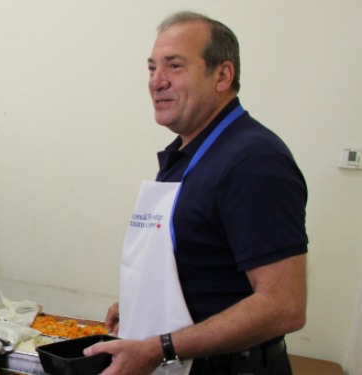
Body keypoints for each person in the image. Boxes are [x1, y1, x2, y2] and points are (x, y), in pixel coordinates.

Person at [84, 11, 308, 375]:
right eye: (151, 68)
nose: (157, 81)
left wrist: (161, 346)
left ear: (223, 75)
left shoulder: (253, 161)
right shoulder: (186, 154)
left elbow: (284, 305)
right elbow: (206, 263)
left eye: (174, 66)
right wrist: (144, 305)